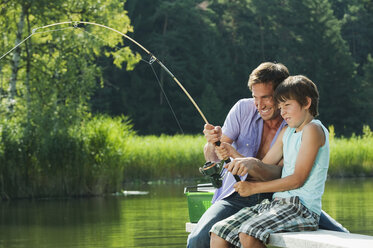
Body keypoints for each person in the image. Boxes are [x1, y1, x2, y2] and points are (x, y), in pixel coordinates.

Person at [187, 63, 347, 248]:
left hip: (284, 199)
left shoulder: (299, 126)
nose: (259, 105)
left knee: (343, 238)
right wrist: (219, 147)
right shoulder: (257, 116)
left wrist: (252, 179)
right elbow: (227, 159)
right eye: (255, 97)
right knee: (209, 235)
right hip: (250, 197)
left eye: (267, 98)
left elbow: (291, 178)